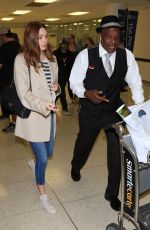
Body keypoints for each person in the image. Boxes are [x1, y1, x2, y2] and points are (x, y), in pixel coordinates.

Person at [69, 15, 144, 212]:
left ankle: (111, 193)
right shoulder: (86, 55)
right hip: (91, 109)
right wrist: (86, 93)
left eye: (117, 37)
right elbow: (74, 82)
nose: (113, 42)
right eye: (109, 36)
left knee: (118, 149)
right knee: (83, 143)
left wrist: (139, 108)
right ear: (101, 35)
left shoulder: (126, 55)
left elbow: (135, 83)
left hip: (116, 108)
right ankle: (76, 165)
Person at [14, 21, 60, 214]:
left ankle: (34, 162)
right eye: (40, 37)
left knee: (48, 151)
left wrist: (56, 88)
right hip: (34, 116)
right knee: (43, 158)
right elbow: (23, 93)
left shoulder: (52, 58)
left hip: (49, 116)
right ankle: (43, 195)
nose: (44, 40)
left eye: (46, 36)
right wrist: (43, 105)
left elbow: (53, 83)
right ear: (31, 38)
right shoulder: (21, 59)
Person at [0, 27, 21, 126]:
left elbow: (0, 65)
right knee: (15, 99)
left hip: (5, 79)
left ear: (3, 36)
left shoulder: (4, 47)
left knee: (8, 99)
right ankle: (14, 120)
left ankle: (13, 123)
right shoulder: (20, 46)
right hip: (19, 79)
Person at [54, 38, 74, 115]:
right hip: (60, 75)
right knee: (61, 91)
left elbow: (73, 65)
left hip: (69, 74)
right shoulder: (55, 53)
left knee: (70, 88)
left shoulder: (70, 54)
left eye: (66, 44)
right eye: (63, 44)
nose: (65, 45)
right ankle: (64, 108)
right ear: (60, 45)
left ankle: (72, 99)